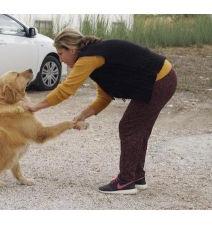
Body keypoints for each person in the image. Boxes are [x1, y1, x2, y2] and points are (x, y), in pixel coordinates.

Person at [23, 28, 177, 194]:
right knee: (138, 128)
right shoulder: (95, 56)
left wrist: (35, 107)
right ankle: (136, 176)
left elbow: (66, 90)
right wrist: (83, 114)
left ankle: (126, 181)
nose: (60, 59)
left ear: (72, 50)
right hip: (163, 78)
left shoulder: (88, 57)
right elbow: (104, 97)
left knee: (129, 127)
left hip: (160, 80)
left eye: (61, 53)